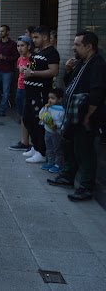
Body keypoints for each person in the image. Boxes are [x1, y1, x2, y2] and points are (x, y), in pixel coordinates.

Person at [48, 30, 106, 202]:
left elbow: (97, 93)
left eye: (77, 45)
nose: (73, 48)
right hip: (73, 114)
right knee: (70, 145)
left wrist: (88, 115)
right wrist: (68, 70)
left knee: (85, 151)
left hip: (85, 116)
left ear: (89, 47)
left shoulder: (98, 65)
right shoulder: (82, 63)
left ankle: (86, 187)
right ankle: (68, 175)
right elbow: (71, 84)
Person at [21, 26, 59, 163]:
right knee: (27, 119)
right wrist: (26, 70)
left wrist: (32, 73)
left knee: (38, 122)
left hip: (41, 93)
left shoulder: (52, 53)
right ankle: (35, 146)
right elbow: (34, 69)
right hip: (31, 93)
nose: (33, 40)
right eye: (33, 37)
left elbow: (53, 71)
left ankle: (41, 151)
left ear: (45, 37)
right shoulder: (39, 52)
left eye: (36, 37)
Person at [9, 36, 34, 151]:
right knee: (22, 115)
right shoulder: (19, 59)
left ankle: (34, 143)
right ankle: (24, 141)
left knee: (30, 116)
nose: (19, 48)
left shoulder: (33, 59)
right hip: (20, 88)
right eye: (18, 46)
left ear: (29, 46)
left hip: (29, 89)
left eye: (22, 45)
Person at [38, 88, 65, 172]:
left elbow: (63, 121)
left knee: (57, 148)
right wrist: (45, 107)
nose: (50, 100)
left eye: (52, 98)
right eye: (49, 98)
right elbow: (41, 115)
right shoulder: (49, 107)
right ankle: (50, 162)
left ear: (59, 99)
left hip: (56, 133)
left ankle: (58, 164)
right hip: (47, 131)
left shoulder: (62, 110)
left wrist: (57, 126)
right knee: (49, 148)